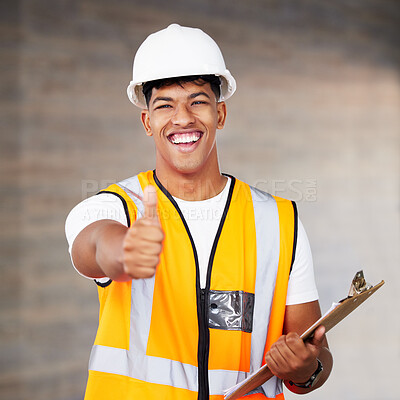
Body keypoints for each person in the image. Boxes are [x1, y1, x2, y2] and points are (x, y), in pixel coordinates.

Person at [65, 24, 333, 400]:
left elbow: (316, 355)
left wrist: (307, 368)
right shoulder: (118, 206)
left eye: (197, 101)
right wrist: (123, 251)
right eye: (164, 105)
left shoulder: (278, 222)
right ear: (147, 122)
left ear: (220, 114)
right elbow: (92, 246)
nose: (183, 119)